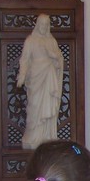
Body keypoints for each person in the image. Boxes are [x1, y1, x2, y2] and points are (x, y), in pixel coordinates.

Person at [17, 13, 63, 150]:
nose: (43, 27)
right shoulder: (31, 40)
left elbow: (59, 62)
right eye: (41, 24)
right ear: (38, 25)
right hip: (36, 77)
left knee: (48, 107)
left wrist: (53, 56)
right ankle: (33, 136)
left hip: (49, 76)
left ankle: (47, 136)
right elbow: (25, 60)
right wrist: (22, 75)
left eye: (46, 24)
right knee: (35, 107)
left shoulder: (51, 41)